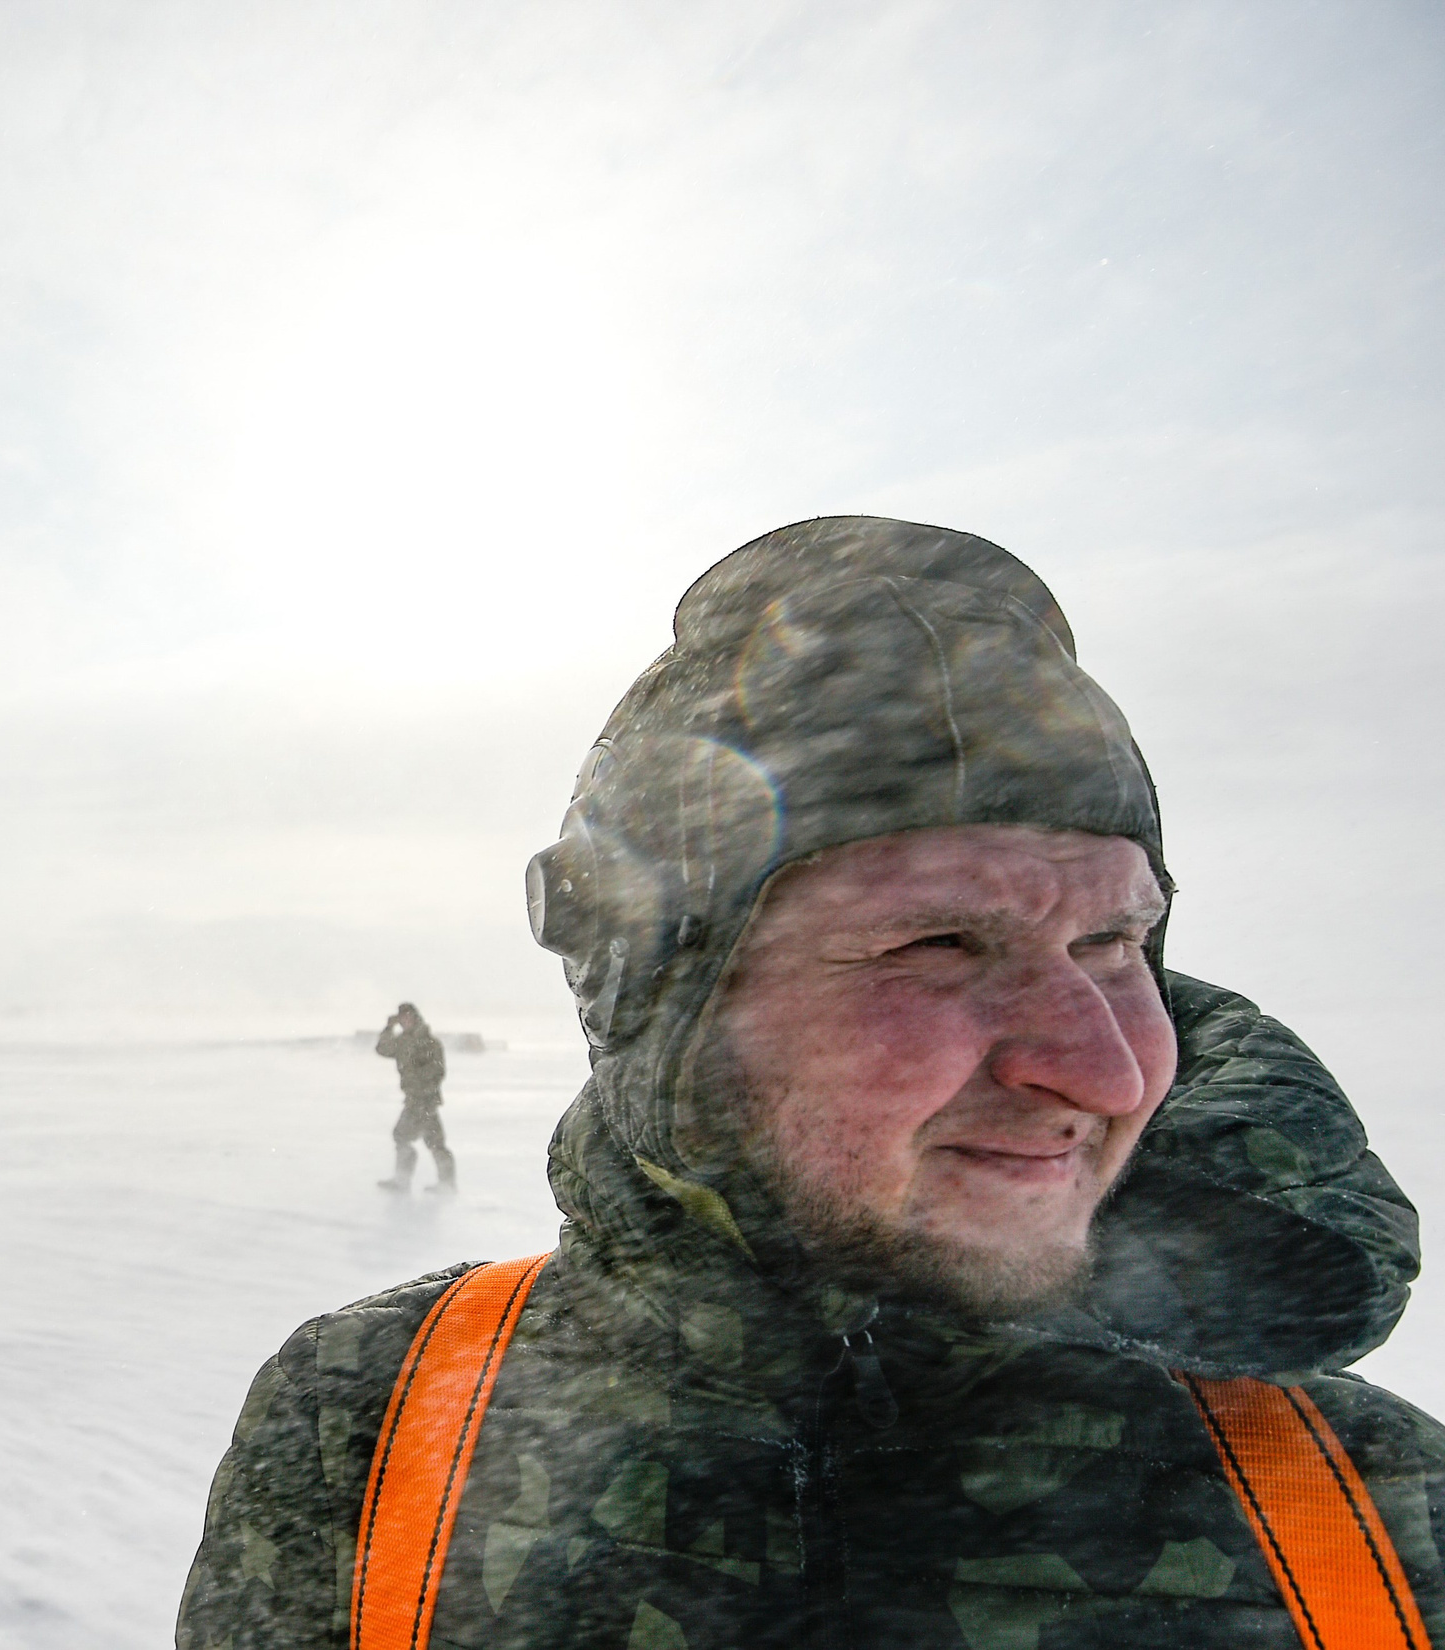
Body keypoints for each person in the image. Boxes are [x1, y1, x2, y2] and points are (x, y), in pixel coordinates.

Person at [177, 518, 1437, 1648]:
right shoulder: (376, 1429)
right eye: (937, 944)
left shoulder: (1380, 1517)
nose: (1103, 1067)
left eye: (1111, 944)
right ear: (664, 1002)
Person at [375, 1002, 455, 1193]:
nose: (405, 1021)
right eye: (401, 1018)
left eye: (408, 1017)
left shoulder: (429, 1042)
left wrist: (419, 1085)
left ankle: (409, 1181)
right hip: (414, 1099)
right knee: (429, 1140)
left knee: (407, 1136)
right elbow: (382, 1049)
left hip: (424, 1100)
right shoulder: (403, 1041)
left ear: (416, 1017)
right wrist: (388, 1027)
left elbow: (437, 1070)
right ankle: (442, 1183)